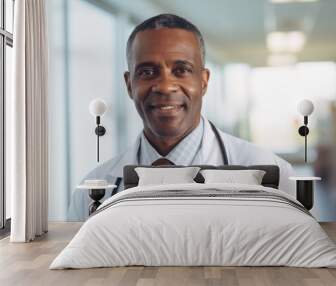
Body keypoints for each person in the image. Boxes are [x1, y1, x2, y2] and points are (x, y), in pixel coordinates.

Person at [68, 14, 295, 221]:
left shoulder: (276, 176)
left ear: (204, 81)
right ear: (129, 85)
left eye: (182, 70)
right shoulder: (91, 191)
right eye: (147, 72)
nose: (166, 87)